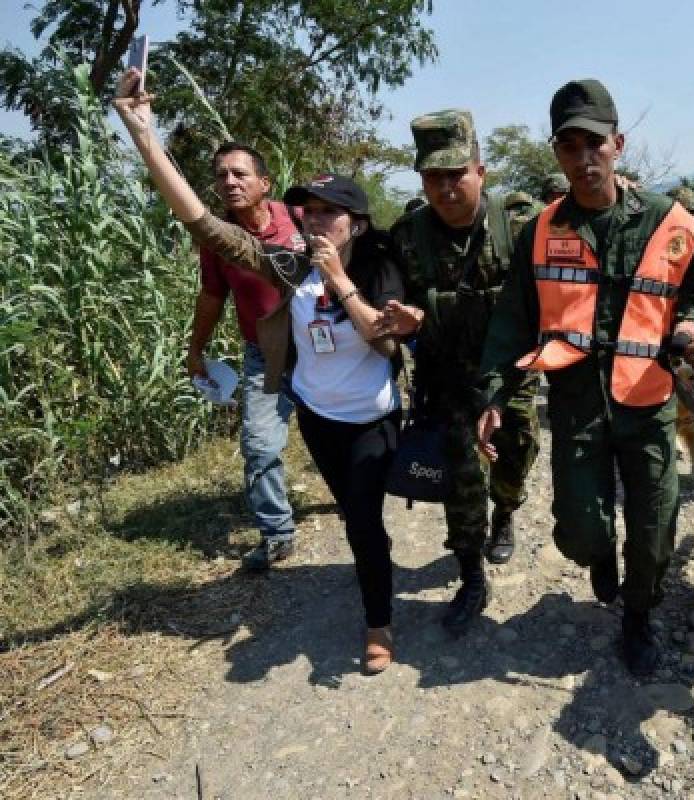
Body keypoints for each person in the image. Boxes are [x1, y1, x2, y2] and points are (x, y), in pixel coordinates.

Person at [113, 68, 420, 674]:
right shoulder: (286, 263)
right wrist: (143, 134)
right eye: (309, 211)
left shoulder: (380, 267)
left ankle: (378, 621)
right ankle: (366, 573)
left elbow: (381, 337)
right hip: (318, 415)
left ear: (356, 224)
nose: (315, 221)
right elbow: (204, 222)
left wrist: (336, 276)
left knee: (363, 521)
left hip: (371, 419)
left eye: (332, 213)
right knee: (354, 511)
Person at [475, 79, 694, 676]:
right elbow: (511, 319)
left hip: (649, 405)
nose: (583, 157)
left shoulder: (669, 222)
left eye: (594, 143)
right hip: (577, 405)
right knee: (579, 532)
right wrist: (493, 392)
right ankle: (600, 561)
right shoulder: (540, 230)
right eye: (570, 146)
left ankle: (639, 616)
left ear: (617, 144)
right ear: (558, 154)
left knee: (653, 530)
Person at [384, 110, 541, 635]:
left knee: (515, 455)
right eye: (434, 177)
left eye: (457, 175)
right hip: (446, 377)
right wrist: (403, 317)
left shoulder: (521, 223)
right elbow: (381, 287)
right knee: (460, 479)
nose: (446, 188)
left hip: (510, 375)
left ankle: (506, 511)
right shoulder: (407, 236)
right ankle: (471, 575)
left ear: (482, 171)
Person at [186, 142, 305, 572]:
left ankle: (355, 501)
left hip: (317, 351)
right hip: (263, 357)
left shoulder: (298, 219)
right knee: (259, 444)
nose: (229, 182)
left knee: (337, 436)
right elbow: (212, 295)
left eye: (239, 174)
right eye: (221, 175)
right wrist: (195, 349)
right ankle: (277, 533)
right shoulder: (217, 239)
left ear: (265, 183)